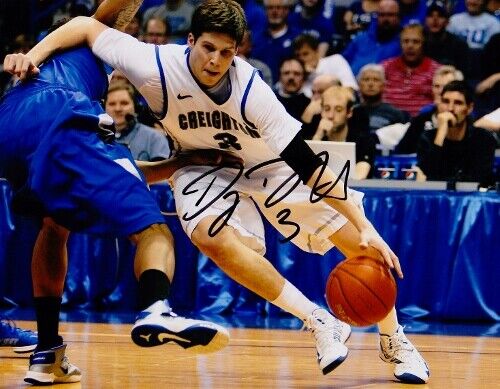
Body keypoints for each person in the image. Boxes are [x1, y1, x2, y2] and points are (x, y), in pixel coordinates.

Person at [18, 0, 430, 383]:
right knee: (208, 235)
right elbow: (87, 26)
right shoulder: (154, 62)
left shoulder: (252, 90)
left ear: (238, 51)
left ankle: (394, 340)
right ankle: (318, 320)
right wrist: (34, 56)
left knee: (355, 240)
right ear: (191, 41)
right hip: (200, 161)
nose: (215, 61)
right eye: (208, 48)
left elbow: (308, 165)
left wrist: (364, 225)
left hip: (266, 161)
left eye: (226, 52)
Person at [1, 0, 239, 385]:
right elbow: (96, 17)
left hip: (12, 125)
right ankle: (156, 307)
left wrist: (179, 163)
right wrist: (30, 54)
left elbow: (119, 177)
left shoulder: (72, 77)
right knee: (153, 229)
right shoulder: (91, 40)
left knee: (54, 226)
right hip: (57, 113)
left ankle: (47, 355)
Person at [416, 80, 496, 185]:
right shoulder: (428, 138)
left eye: (458, 103)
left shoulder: (483, 139)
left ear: (469, 108)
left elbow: (478, 180)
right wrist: (440, 135)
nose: (450, 108)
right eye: (445, 101)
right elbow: (429, 178)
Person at [396, 65, 464, 154]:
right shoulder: (420, 120)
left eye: (446, 87)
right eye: (436, 86)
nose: (440, 91)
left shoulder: (467, 121)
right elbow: (402, 153)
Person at [312, 86, 377, 179]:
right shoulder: (313, 137)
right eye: (326, 109)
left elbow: (359, 176)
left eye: (338, 110)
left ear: (349, 112)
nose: (331, 115)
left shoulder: (364, 141)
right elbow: (305, 172)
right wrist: (318, 136)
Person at [382, 23, 440, 117]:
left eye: (416, 42)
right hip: (387, 122)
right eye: (406, 41)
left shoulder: (436, 71)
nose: (410, 46)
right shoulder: (385, 67)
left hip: (420, 124)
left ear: (424, 44)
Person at [104, 80, 171, 161]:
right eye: (112, 104)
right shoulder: (95, 137)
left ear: (136, 106)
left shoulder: (154, 138)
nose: (118, 109)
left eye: (124, 103)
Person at [342, 0, 402, 76]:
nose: (386, 19)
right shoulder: (360, 39)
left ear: (399, 17)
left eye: (390, 15)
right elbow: (342, 62)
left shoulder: (403, 43)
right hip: (352, 84)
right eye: (382, 15)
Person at [357, 63, 410, 134]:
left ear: (383, 85)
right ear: (359, 84)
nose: (371, 84)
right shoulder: (351, 112)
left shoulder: (395, 114)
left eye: (376, 80)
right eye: (366, 79)